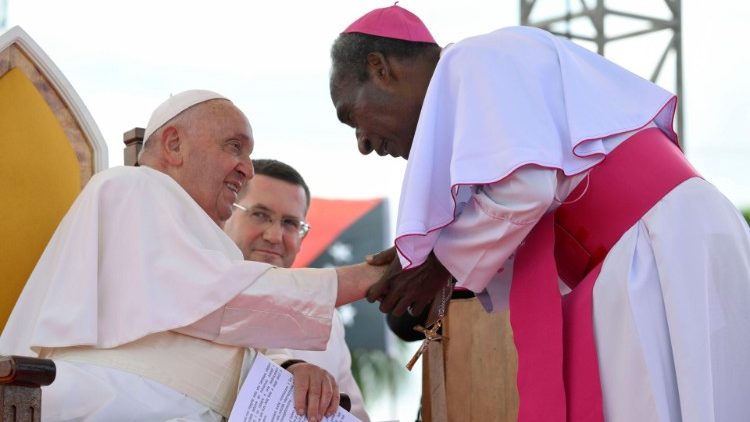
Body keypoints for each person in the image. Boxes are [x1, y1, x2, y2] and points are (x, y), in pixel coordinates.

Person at [329, 4, 750, 422]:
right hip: (634, 258)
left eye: (352, 118)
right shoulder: (471, 93)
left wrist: (441, 262)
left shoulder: (471, 61)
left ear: (381, 69)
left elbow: (526, 187)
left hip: (660, 246)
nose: (363, 144)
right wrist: (429, 259)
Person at [0, 90, 386, 422]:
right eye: (234, 147)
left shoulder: (205, 237)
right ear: (173, 144)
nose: (246, 169)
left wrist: (292, 366)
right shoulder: (129, 187)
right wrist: (367, 277)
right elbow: (220, 303)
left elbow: (237, 336)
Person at [224, 158, 370, 421]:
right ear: (227, 214)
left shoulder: (329, 321)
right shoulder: (199, 295)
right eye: (260, 215)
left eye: (290, 223)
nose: (274, 235)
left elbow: (355, 415)